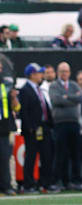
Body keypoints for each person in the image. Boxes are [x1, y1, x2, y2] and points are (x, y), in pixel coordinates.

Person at [18, 63, 58, 193]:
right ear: (32, 74)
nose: (42, 75)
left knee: (47, 156)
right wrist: (29, 127)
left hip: (44, 127)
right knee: (31, 157)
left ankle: (46, 183)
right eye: (40, 73)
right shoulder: (25, 90)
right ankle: (28, 184)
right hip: (33, 129)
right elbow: (23, 111)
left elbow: (44, 106)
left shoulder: (39, 89)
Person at [49, 62, 82, 191]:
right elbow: (56, 100)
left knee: (75, 154)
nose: (64, 73)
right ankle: (57, 182)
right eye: (62, 71)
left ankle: (76, 181)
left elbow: (80, 98)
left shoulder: (74, 85)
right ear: (58, 72)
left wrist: (66, 97)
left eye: (66, 71)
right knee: (60, 154)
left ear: (69, 73)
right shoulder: (54, 86)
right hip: (60, 124)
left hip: (74, 124)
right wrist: (71, 98)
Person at [0, 66, 19, 196]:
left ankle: (6, 186)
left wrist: (13, 98)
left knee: (4, 157)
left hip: (4, 127)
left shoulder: (5, 84)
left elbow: (16, 108)